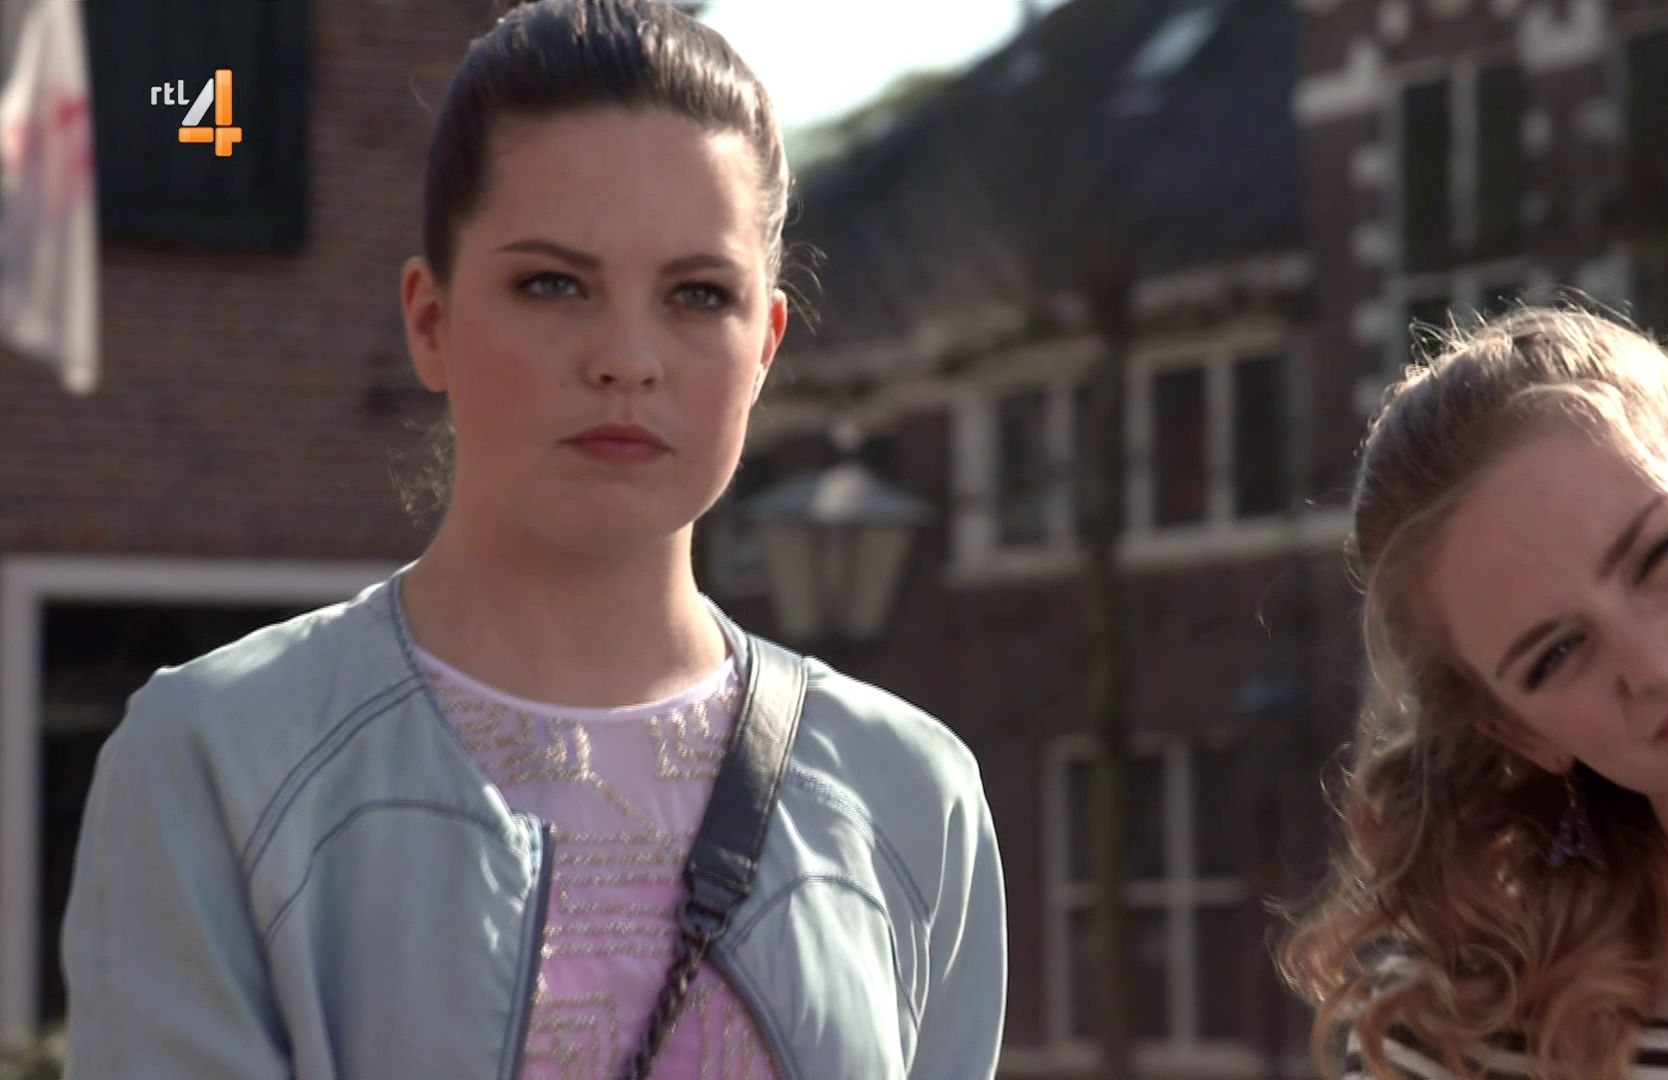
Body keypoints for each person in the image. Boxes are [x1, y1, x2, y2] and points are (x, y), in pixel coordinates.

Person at [58, 2, 1007, 1077]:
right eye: (553, 284)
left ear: (765, 348)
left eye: (698, 295)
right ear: (431, 321)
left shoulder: (907, 793)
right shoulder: (218, 761)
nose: (627, 357)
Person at [1280, 307, 1668, 1079]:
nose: (1655, 665)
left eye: (1661, 554)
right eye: (1556, 654)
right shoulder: (1460, 1045)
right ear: (1517, 730)